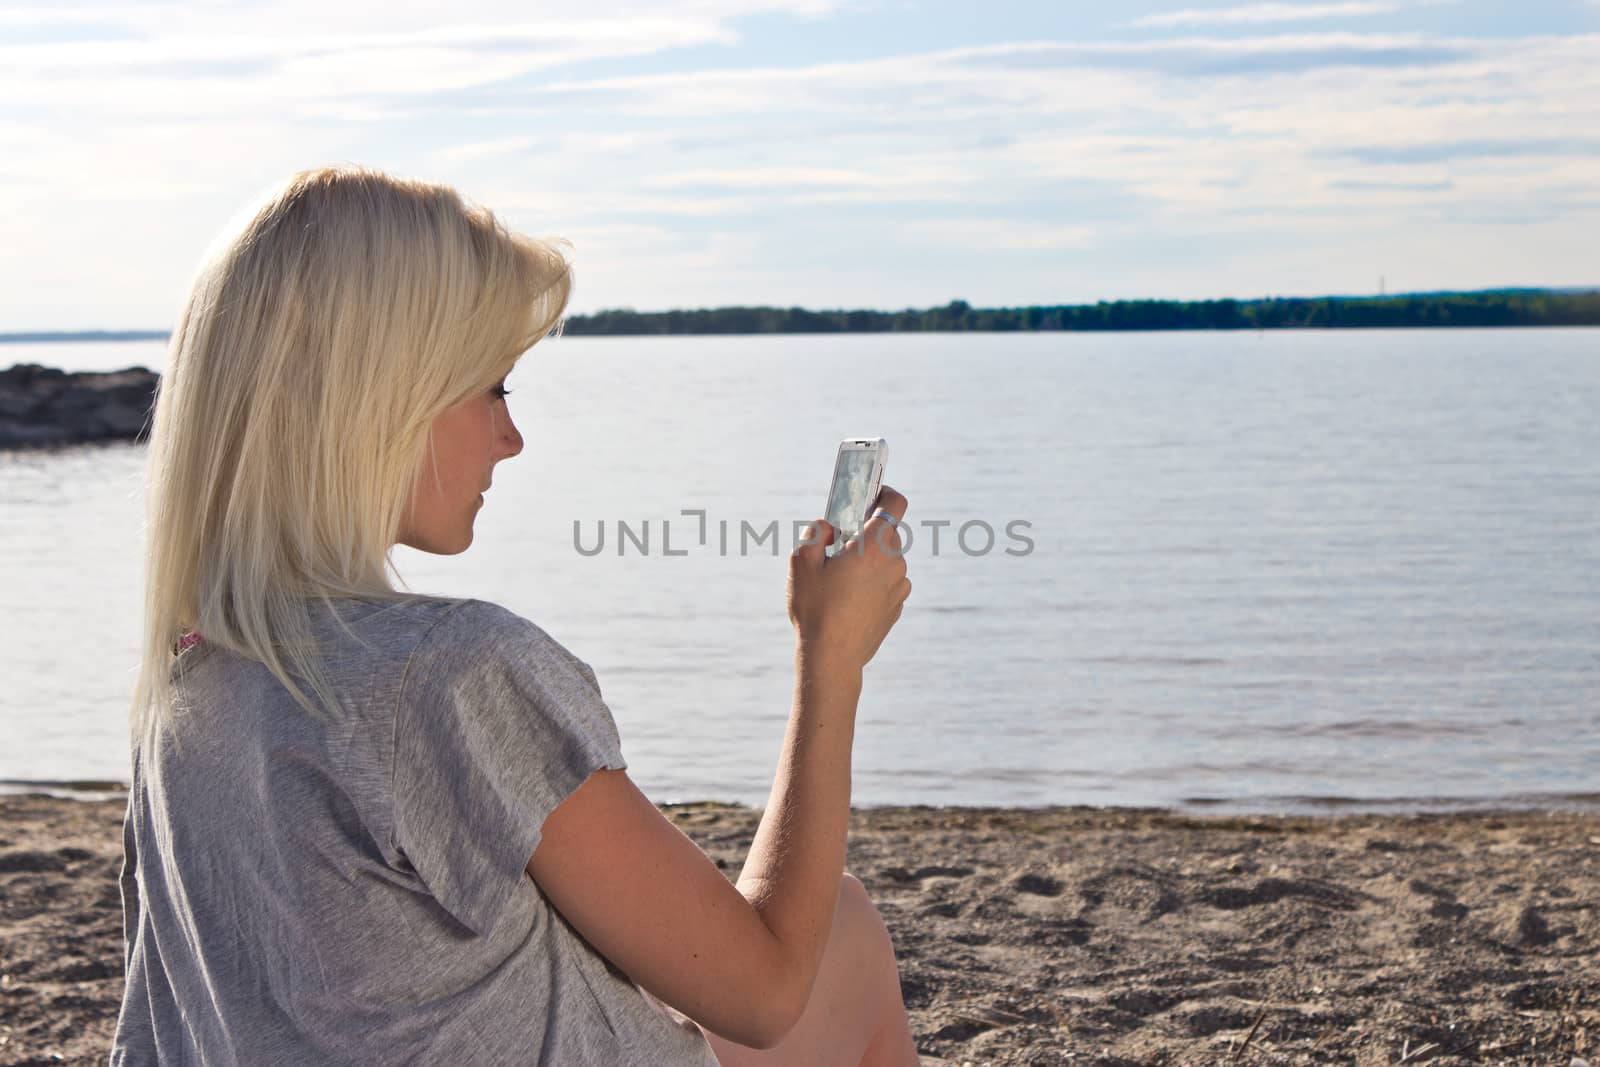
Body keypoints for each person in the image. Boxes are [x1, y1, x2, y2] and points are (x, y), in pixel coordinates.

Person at [114, 164, 919, 1066]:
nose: (512, 435)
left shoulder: (190, 678)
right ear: (378, 397)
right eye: (494, 385)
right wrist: (831, 659)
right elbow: (766, 992)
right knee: (839, 933)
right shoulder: (449, 672)